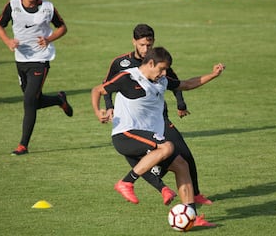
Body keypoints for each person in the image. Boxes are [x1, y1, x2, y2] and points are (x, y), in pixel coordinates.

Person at [92, 47, 225, 227]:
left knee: (181, 165)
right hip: (125, 134)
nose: (164, 73)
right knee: (167, 146)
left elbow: (185, 84)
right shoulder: (128, 77)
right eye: (161, 69)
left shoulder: (161, 80)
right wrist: (98, 112)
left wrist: (212, 75)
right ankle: (126, 182)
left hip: (146, 136)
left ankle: (192, 215)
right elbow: (98, 90)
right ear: (151, 63)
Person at [103, 24, 212, 205]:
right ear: (134, 42)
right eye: (142, 45)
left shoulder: (161, 64)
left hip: (159, 120)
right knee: (160, 153)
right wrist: (108, 107)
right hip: (134, 125)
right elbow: (105, 86)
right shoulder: (122, 64)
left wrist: (181, 103)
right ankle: (152, 185)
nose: (146, 49)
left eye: (149, 44)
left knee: (183, 156)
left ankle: (194, 199)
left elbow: (178, 83)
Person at [0, 0, 73, 155]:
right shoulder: (13, 5)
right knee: (34, 102)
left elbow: (62, 27)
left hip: (40, 60)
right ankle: (58, 99)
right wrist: (8, 42)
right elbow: (0, 25)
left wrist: (49, 38)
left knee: (29, 100)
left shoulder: (47, 7)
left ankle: (23, 145)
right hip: (21, 60)